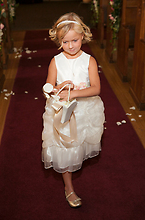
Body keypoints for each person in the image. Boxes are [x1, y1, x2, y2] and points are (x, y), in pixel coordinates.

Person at [42, 12, 105, 208]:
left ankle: (73, 167)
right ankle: (68, 186)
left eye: (75, 40)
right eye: (65, 41)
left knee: (79, 143)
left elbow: (96, 88)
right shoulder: (55, 61)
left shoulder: (89, 60)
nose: (70, 46)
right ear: (59, 40)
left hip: (85, 109)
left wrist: (75, 93)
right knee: (64, 148)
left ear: (83, 37)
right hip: (63, 112)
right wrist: (57, 89)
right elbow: (48, 87)